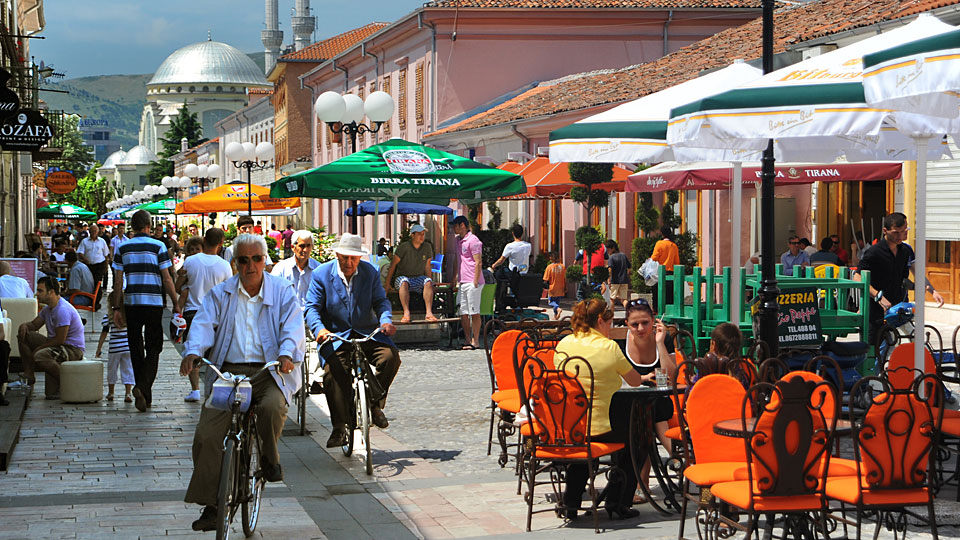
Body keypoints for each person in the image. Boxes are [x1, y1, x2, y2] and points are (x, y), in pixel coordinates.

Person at [180, 233, 304, 532]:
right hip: (229, 374)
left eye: (256, 259)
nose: (250, 266)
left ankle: (269, 458)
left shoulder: (282, 290)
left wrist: (287, 353)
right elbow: (203, 324)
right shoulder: (220, 293)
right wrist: (194, 351)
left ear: (265, 261)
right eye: (243, 260)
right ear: (234, 262)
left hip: (269, 371)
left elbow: (292, 326)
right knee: (208, 435)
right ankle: (213, 504)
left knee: (273, 407)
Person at [305, 232, 399, 447]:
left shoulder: (370, 272)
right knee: (332, 373)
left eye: (353, 258)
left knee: (390, 358)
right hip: (337, 335)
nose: (349, 262)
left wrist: (385, 321)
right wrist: (320, 329)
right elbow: (312, 308)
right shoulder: (321, 274)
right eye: (345, 257)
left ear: (360, 258)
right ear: (337, 254)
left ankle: (374, 403)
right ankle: (340, 426)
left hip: (367, 333)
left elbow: (381, 301)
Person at [555, 298, 644, 520]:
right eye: (611, 322)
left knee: (585, 445)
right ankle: (618, 501)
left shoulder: (564, 343)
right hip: (600, 425)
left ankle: (571, 502)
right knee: (638, 441)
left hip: (568, 424)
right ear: (600, 321)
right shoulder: (609, 347)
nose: (612, 327)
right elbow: (634, 381)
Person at [112, 210, 179, 412]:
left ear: (132, 226)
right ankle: (142, 387)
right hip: (153, 304)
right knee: (154, 347)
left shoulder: (122, 247)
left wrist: (116, 307)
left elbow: (117, 281)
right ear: (149, 226)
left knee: (135, 347)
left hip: (132, 303)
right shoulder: (158, 246)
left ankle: (144, 393)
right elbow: (167, 278)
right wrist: (175, 302)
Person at [855, 212, 944, 344]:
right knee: (874, 350)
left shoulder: (906, 251)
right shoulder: (874, 252)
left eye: (904, 231)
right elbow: (857, 277)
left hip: (899, 308)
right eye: (896, 232)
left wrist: (933, 290)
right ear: (885, 231)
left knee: (910, 343)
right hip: (876, 311)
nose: (901, 235)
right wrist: (877, 296)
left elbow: (918, 273)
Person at [621, 298, 677, 495]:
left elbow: (670, 376)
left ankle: (641, 486)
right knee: (647, 418)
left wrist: (660, 344)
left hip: (657, 400)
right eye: (634, 324)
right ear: (627, 324)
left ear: (653, 320)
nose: (640, 328)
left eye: (645, 322)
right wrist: (642, 377)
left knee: (652, 413)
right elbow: (617, 378)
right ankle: (677, 458)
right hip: (627, 402)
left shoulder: (663, 338)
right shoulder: (620, 341)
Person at [177, 229, 232, 403]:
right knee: (215, 354)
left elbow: (179, 286)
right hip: (216, 315)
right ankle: (215, 387)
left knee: (193, 351)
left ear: (204, 240)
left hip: (192, 312)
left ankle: (195, 390)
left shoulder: (191, 261)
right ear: (221, 243)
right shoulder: (224, 265)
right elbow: (229, 294)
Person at [17, 277, 85, 399]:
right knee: (24, 334)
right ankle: (29, 373)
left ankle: (69, 383)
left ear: (51, 292)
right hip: (57, 344)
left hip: (71, 349)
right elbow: (34, 325)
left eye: (40, 291)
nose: (37, 294)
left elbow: (60, 340)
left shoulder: (62, 310)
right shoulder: (48, 309)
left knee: (40, 355)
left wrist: (39, 349)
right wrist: (25, 325)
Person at [385, 223, 437, 323]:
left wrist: (430, 282)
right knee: (404, 282)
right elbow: (393, 265)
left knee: (428, 281)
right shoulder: (404, 247)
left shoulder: (427, 247)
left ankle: (429, 313)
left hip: (418, 277)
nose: (422, 236)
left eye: (423, 234)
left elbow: (427, 266)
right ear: (412, 235)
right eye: (419, 234)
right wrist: (387, 283)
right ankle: (406, 313)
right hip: (403, 277)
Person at [452, 216, 483, 350]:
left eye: (456, 225)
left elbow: (478, 261)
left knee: (474, 312)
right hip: (463, 281)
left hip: (472, 281)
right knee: (463, 312)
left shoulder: (473, 240)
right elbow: (457, 260)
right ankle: (467, 339)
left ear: (463, 225)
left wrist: (475, 281)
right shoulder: (458, 241)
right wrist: (454, 277)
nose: (454, 228)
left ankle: (475, 340)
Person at [270, 229, 319, 310]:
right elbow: (271, 292)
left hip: (310, 316)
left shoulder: (318, 269)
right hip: (287, 315)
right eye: (302, 246)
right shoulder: (281, 269)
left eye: (308, 246)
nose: (305, 250)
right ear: (293, 247)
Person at [96, 304, 134, 403]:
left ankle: (111, 393)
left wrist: (99, 348)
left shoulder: (109, 317)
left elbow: (104, 332)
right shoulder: (129, 315)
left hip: (115, 347)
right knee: (128, 369)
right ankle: (128, 393)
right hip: (127, 347)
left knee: (112, 369)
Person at [651, 226, 680, 309]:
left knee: (657, 293)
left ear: (662, 234)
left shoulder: (659, 244)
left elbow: (654, 257)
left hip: (659, 272)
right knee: (669, 295)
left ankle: (657, 311)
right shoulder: (674, 246)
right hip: (670, 273)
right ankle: (669, 311)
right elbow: (677, 262)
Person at [605, 239, 631, 310]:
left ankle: (611, 317)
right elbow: (629, 268)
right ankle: (630, 312)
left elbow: (610, 269)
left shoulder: (611, 257)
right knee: (623, 299)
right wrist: (626, 275)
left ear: (613, 248)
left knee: (612, 299)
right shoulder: (623, 255)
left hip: (615, 281)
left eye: (608, 249)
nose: (608, 252)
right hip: (624, 281)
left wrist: (609, 279)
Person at [542, 251, 566, 319]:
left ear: (551, 258)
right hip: (561, 287)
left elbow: (545, 279)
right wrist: (565, 287)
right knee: (557, 302)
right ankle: (556, 316)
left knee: (551, 302)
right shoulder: (562, 266)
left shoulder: (549, 267)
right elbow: (565, 278)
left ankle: (558, 309)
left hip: (552, 288)